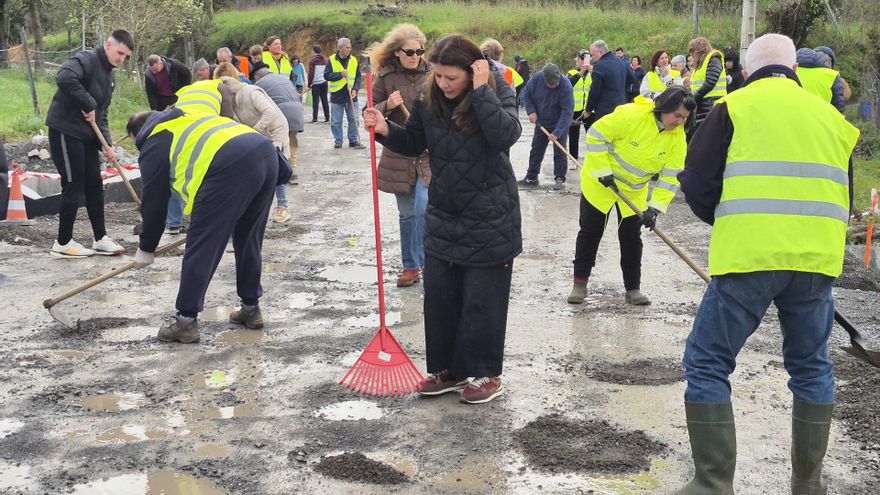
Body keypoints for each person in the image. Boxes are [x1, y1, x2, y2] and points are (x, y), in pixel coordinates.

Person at [675, 33, 859, 495]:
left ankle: (713, 484)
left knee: (708, 363)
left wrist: (730, 219)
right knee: (812, 367)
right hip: (816, 262)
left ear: (744, 71)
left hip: (749, 258)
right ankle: (807, 486)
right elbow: (845, 196)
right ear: (794, 69)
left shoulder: (734, 107)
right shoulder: (832, 119)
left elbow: (696, 182)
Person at [363, 34, 522, 404]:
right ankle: (449, 370)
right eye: (439, 77)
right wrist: (386, 131)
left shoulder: (498, 91)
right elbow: (414, 141)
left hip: (490, 215)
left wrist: (482, 91)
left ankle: (486, 374)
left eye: (453, 78)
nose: (444, 84)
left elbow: (505, 136)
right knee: (441, 297)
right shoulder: (428, 97)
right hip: (444, 211)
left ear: (474, 71)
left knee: (482, 300)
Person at [127, 108, 279, 343]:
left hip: (228, 165)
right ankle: (251, 308)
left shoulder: (154, 140)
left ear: (136, 134)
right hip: (266, 154)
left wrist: (146, 247)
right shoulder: (190, 118)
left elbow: (155, 201)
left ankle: (186, 322)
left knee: (203, 243)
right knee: (249, 239)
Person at [567, 88, 695, 306]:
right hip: (601, 183)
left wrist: (655, 208)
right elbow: (596, 134)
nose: (680, 121)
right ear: (665, 107)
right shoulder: (631, 115)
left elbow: (671, 176)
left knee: (631, 238)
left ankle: (633, 289)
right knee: (591, 230)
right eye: (677, 115)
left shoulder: (677, 138)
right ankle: (580, 284)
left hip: (634, 191)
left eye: (685, 117)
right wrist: (602, 171)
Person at [44, 29, 134, 258]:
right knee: (73, 184)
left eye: (125, 56)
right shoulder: (87, 59)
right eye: (120, 52)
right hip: (65, 129)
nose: (121, 59)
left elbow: (101, 115)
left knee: (94, 184)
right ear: (108, 45)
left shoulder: (109, 77)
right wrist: (88, 102)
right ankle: (62, 243)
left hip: (86, 136)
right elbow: (64, 77)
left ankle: (100, 238)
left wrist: (108, 145)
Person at [364, 23, 431, 287]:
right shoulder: (384, 77)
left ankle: (427, 263)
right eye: (410, 52)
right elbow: (369, 114)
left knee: (423, 206)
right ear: (397, 53)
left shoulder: (433, 75)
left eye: (420, 51)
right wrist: (386, 106)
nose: (416, 56)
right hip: (398, 152)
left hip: (427, 152)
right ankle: (410, 266)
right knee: (407, 214)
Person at [163, 78, 236, 235]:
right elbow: (227, 120)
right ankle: (208, 221)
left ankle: (173, 223)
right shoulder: (223, 90)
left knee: (177, 173)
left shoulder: (189, 89)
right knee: (208, 175)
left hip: (180, 130)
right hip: (204, 131)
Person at [218, 76, 291, 223]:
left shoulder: (251, 92)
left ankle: (283, 207)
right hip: (259, 137)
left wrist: (255, 130)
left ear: (231, 93)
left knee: (276, 167)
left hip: (275, 131)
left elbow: (269, 112)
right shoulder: (233, 105)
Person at [518, 63, 574, 190]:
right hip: (541, 121)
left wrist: (557, 132)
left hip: (560, 122)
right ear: (544, 79)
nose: (553, 86)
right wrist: (531, 111)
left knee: (560, 151)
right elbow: (526, 94)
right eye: (550, 84)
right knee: (536, 149)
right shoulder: (537, 78)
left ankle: (560, 179)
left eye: (555, 84)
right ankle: (531, 177)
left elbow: (567, 111)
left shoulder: (566, 86)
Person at [253, 64, 305, 186]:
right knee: (292, 142)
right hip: (297, 111)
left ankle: (281, 174)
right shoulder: (283, 79)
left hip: (281, 112)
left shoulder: (259, 85)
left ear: (257, 77)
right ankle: (294, 173)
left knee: (278, 144)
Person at [582, 40, 634, 130]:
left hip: (604, 112)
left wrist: (588, 110)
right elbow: (631, 79)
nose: (591, 58)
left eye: (593, 55)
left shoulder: (599, 66)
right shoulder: (621, 62)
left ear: (601, 52)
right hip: (620, 108)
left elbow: (595, 90)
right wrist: (620, 88)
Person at [324, 37, 364, 149]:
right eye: (347, 47)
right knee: (336, 121)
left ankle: (353, 140)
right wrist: (340, 74)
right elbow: (326, 75)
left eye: (350, 47)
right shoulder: (332, 60)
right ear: (340, 48)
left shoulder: (353, 60)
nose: (349, 49)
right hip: (337, 95)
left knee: (354, 119)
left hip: (351, 94)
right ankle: (338, 140)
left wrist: (356, 89)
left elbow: (358, 77)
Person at [687, 37, 727, 135]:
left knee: (708, 133)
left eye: (692, 51)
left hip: (712, 103)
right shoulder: (701, 63)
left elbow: (710, 81)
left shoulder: (713, 58)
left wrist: (694, 97)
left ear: (700, 49)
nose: (691, 54)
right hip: (703, 102)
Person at [796, 48, 845, 113]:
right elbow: (838, 111)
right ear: (830, 61)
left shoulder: (789, 70)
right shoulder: (832, 76)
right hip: (819, 120)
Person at [567, 50, 592, 159]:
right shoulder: (572, 73)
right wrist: (580, 73)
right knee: (573, 136)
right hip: (575, 109)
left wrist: (592, 72)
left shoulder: (593, 72)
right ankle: (573, 159)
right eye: (581, 59)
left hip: (589, 109)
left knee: (592, 135)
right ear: (577, 59)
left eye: (585, 59)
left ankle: (593, 158)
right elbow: (568, 85)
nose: (583, 62)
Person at [308, 45, 330, 123]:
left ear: (313, 51)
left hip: (316, 83)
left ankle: (315, 118)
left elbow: (311, 73)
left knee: (315, 101)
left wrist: (309, 84)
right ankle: (327, 118)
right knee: (325, 100)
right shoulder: (325, 60)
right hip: (324, 82)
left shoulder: (313, 61)